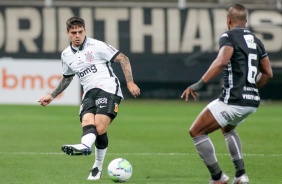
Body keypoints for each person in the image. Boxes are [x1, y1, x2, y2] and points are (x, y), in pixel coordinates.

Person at [38, 16, 140, 180]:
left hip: (108, 88)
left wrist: (130, 82)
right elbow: (67, 78)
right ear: (67, 33)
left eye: (80, 32)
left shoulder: (97, 46)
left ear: (85, 30)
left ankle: (89, 152)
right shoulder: (66, 55)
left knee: (99, 126)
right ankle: (94, 165)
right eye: (73, 33)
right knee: (87, 123)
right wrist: (52, 95)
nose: (77, 35)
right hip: (89, 93)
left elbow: (123, 58)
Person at [181, 4, 273, 184]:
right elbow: (268, 73)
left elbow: (222, 61)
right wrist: (251, 89)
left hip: (233, 99)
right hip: (252, 101)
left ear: (228, 20)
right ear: (246, 21)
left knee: (197, 131)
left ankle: (218, 177)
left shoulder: (228, 36)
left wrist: (200, 84)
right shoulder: (256, 40)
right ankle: (241, 175)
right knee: (228, 128)